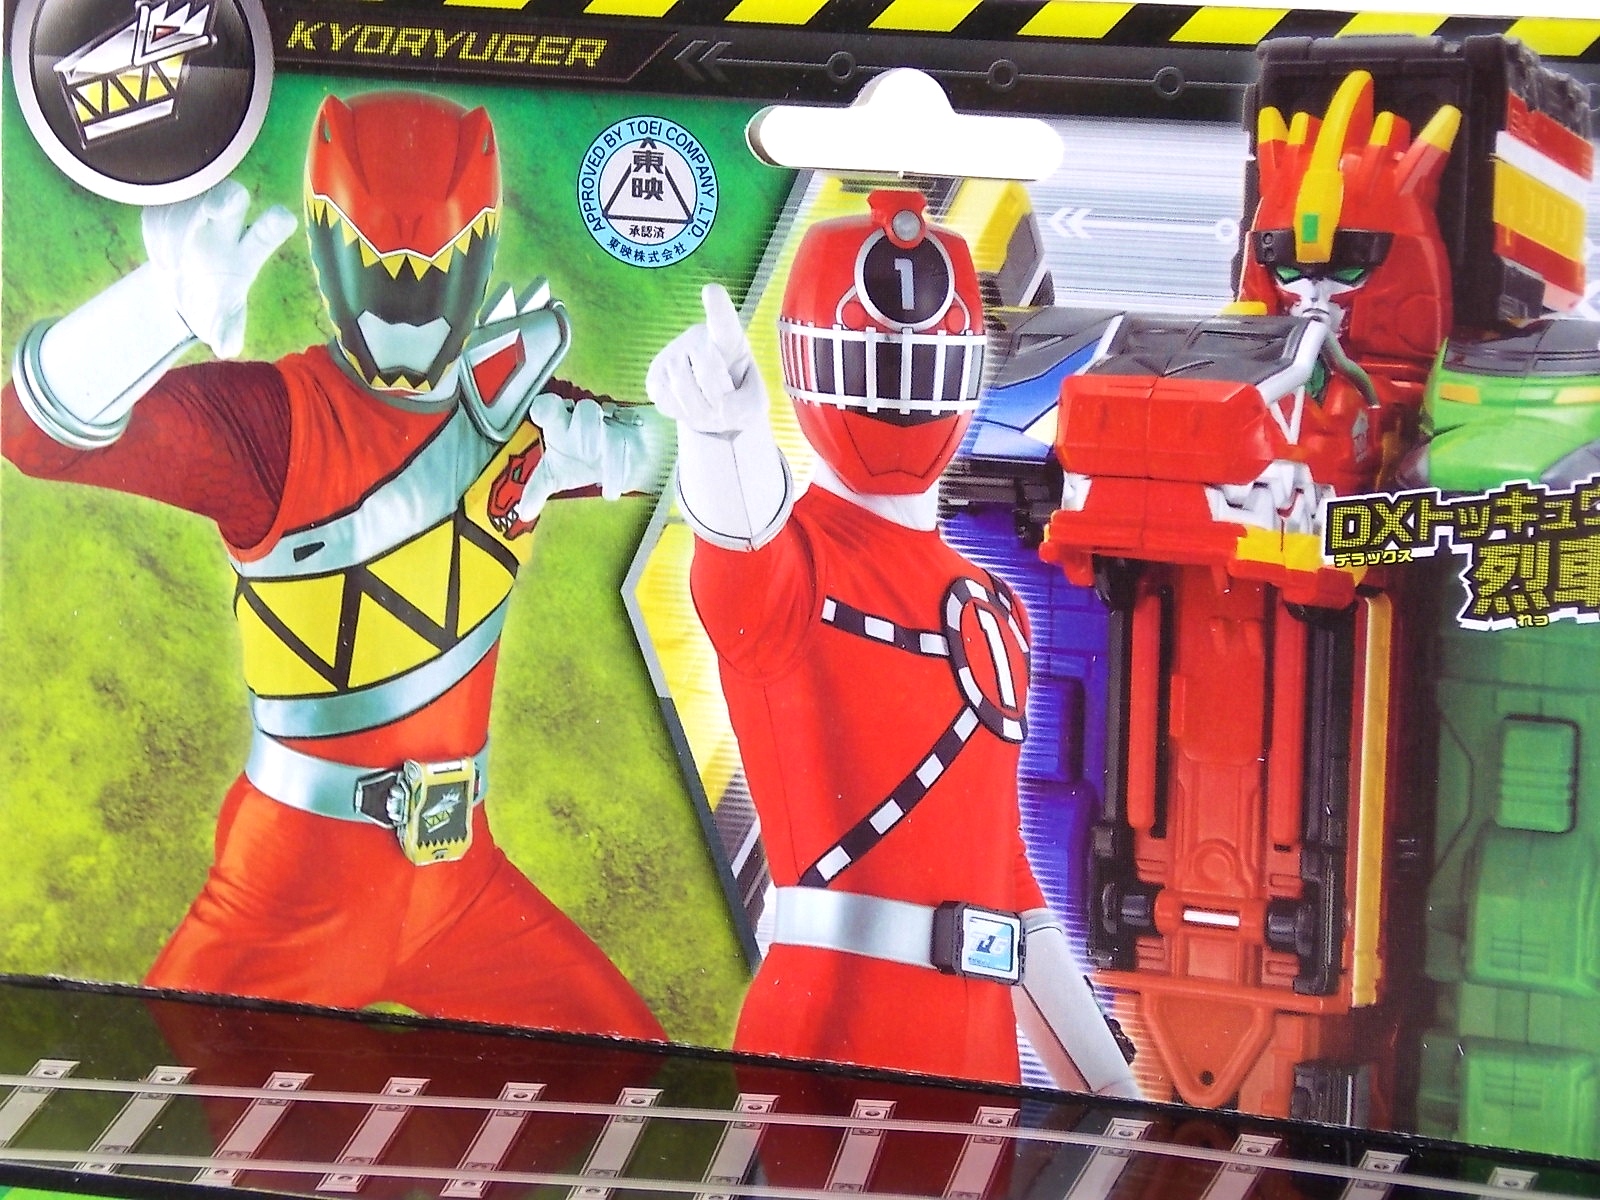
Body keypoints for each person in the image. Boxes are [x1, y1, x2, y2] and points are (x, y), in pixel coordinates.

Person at [3, 90, 666, 1040]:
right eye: (380, 266)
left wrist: (679, 437)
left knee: (635, 1078)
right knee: (142, 1108)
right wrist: (156, 309)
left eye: (435, 265)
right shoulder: (273, 426)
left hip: (459, 883)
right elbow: (32, 435)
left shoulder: (516, 402)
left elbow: (679, 458)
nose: (408, 298)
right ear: (330, 249)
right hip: (290, 892)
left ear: (478, 253)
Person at [646, 189, 1137, 1092]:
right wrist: (721, 439)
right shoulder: (791, 566)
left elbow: (1003, 872)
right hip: (827, 1033)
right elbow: (739, 543)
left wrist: (1114, 1098)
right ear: (809, 361)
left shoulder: (995, 605)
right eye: (873, 358)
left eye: (926, 362)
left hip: (977, 1050)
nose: (902, 391)